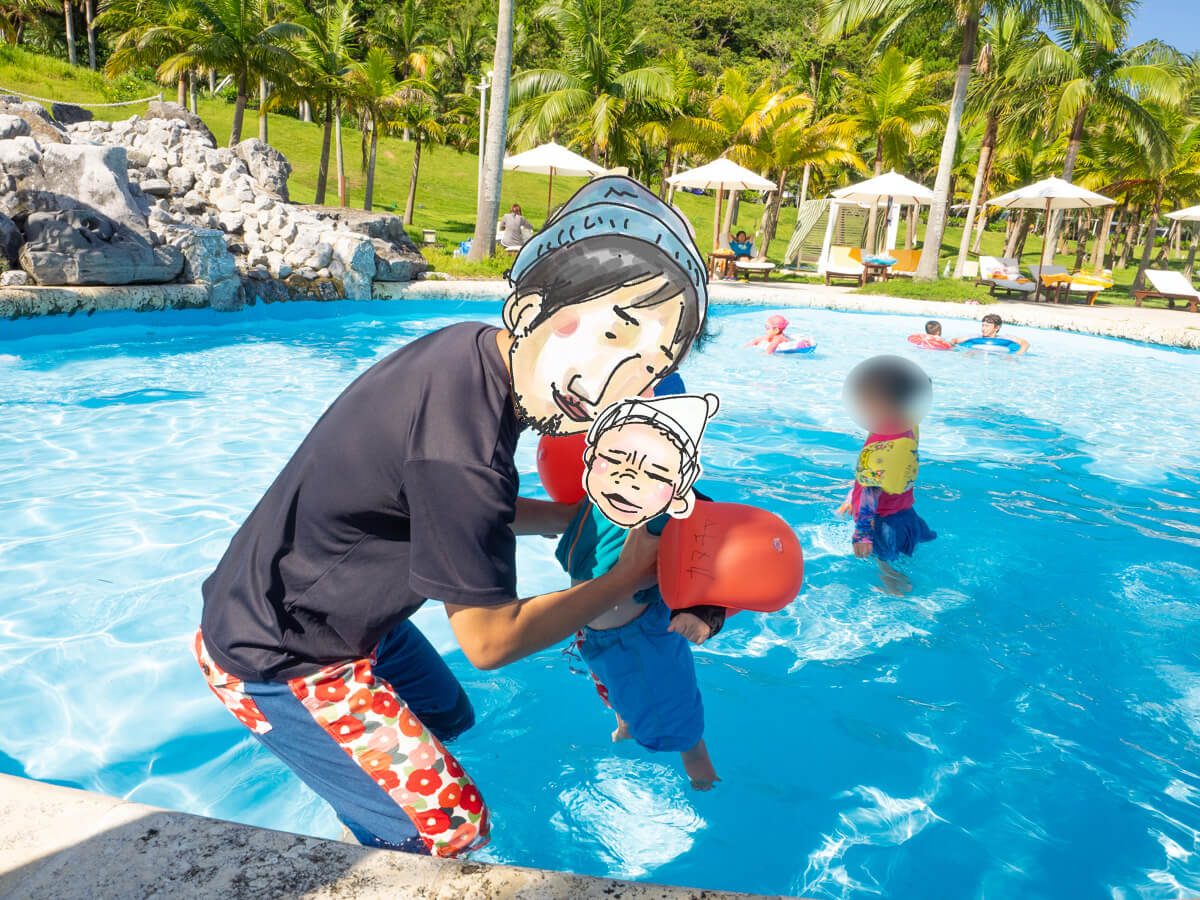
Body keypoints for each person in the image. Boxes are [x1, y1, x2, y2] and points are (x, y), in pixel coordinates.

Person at [194, 175, 708, 858]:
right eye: (614, 338)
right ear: (533, 308)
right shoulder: (462, 455)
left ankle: (361, 780)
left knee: (447, 717)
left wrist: (562, 519)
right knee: (450, 829)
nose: (626, 381)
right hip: (283, 656)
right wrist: (620, 582)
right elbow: (490, 644)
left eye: (649, 361)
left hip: (340, 614)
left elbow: (451, 506)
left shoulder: (474, 349)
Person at [557, 389, 724, 790]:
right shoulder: (603, 487)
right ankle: (627, 721)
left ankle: (702, 776)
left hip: (640, 638)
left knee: (676, 714)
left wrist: (703, 616)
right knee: (614, 686)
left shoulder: (670, 505)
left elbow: (711, 555)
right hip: (594, 631)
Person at [835, 356, 936, 595]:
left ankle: (897, 592)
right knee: (904, 557)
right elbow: (871, 472)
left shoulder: (883, 438)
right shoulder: (906, 427)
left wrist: (862, 533)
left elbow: (871, 487)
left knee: (884, 565)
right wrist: (851, 497)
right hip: (905, 514)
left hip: (883, 522)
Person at [950, 313, 1029, 355]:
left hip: (1001, 353)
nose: (983, 328)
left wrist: (1019, 353)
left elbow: (1025, 343)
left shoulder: (1005, 338)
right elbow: (955, 340)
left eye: (987, 326)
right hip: (978, 352)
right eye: (983, 325)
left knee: (1008, 357)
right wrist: (952, 348)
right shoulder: (976, 337)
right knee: (970, 352)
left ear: (997, 328)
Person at [746, 314, 812, 354]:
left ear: (776, 330)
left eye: (767, 327)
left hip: (786, 350)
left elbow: (770, 349)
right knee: (760, 339)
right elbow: (761, 339)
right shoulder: (775, 335)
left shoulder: (778, 338)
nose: (765, 329)